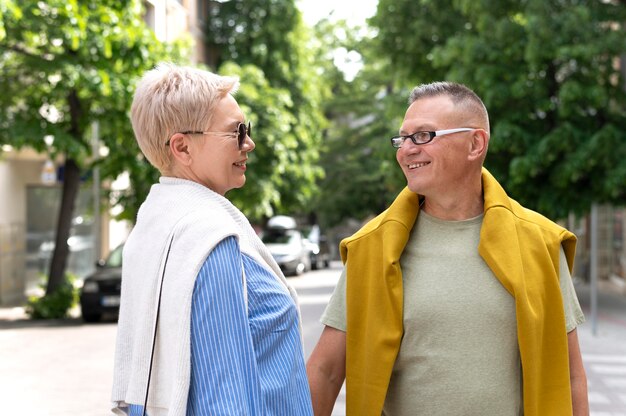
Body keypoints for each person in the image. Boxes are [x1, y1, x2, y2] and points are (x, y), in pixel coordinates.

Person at [306, 81, 589, 416]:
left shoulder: (539, 242)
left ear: (475, 143)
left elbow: (569, 377)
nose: (406, 149)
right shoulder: (373, 246)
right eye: (402, 138)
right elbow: (325, 371)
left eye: (423, 136)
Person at [111, 63, 313, 416]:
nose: (249, 143)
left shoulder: (151, 229)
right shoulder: (209, 239)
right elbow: (226, 397)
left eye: (246, 130)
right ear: (182, 148)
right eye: (236, 132)